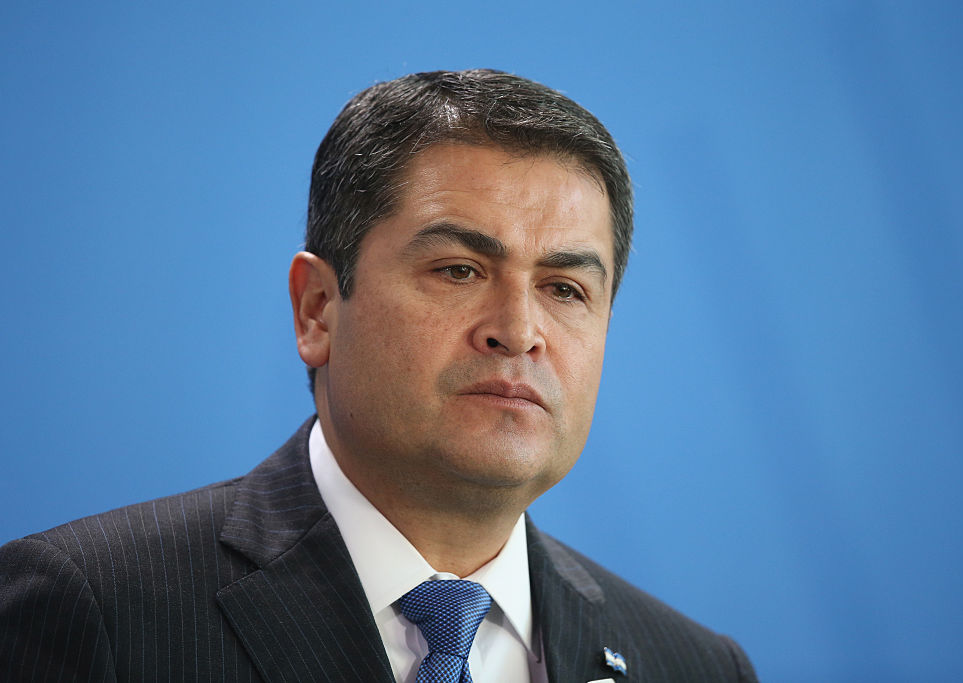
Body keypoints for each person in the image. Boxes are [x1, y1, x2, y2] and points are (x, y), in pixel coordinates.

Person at [0, 69, 757, 682]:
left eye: (565, 289)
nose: (519, 330)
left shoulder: (692, 665)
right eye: (459, 269)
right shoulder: (94, 607)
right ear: (318, 309)